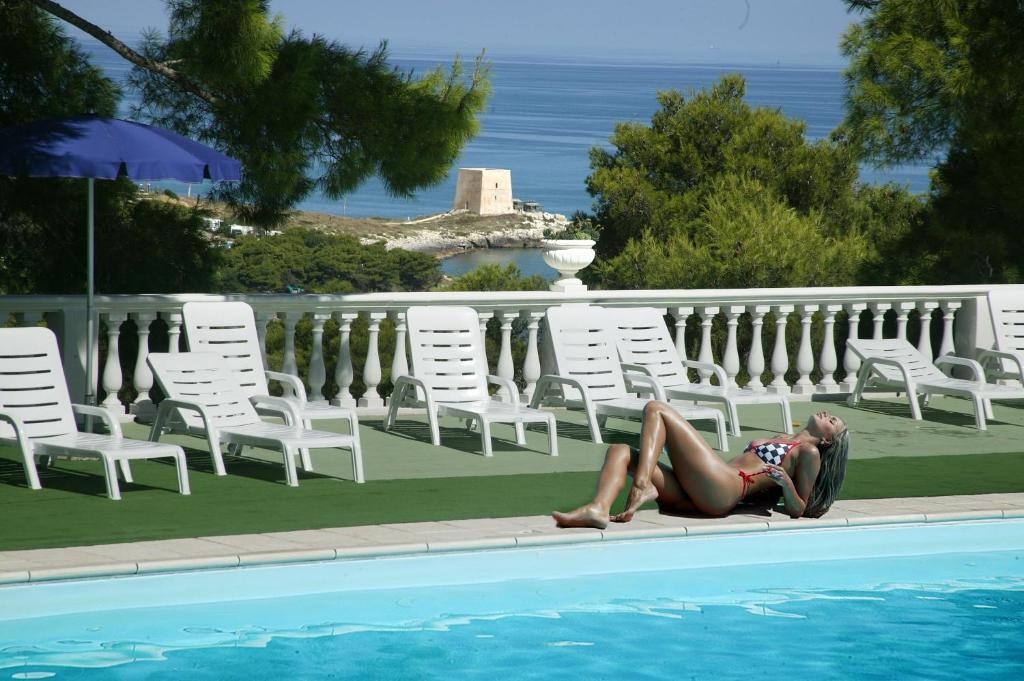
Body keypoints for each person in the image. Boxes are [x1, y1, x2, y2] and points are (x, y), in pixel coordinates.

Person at [553, 401, 850, 529]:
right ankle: (599, 509)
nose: (828, 415)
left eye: (832, 421)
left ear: (827, 441)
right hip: (707, 489)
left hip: (726, 487)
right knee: (620, 451)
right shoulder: (784, 437)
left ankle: (642, 486)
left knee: (656, 409)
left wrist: (785, 481)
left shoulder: (808, 452)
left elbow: (800, 507)